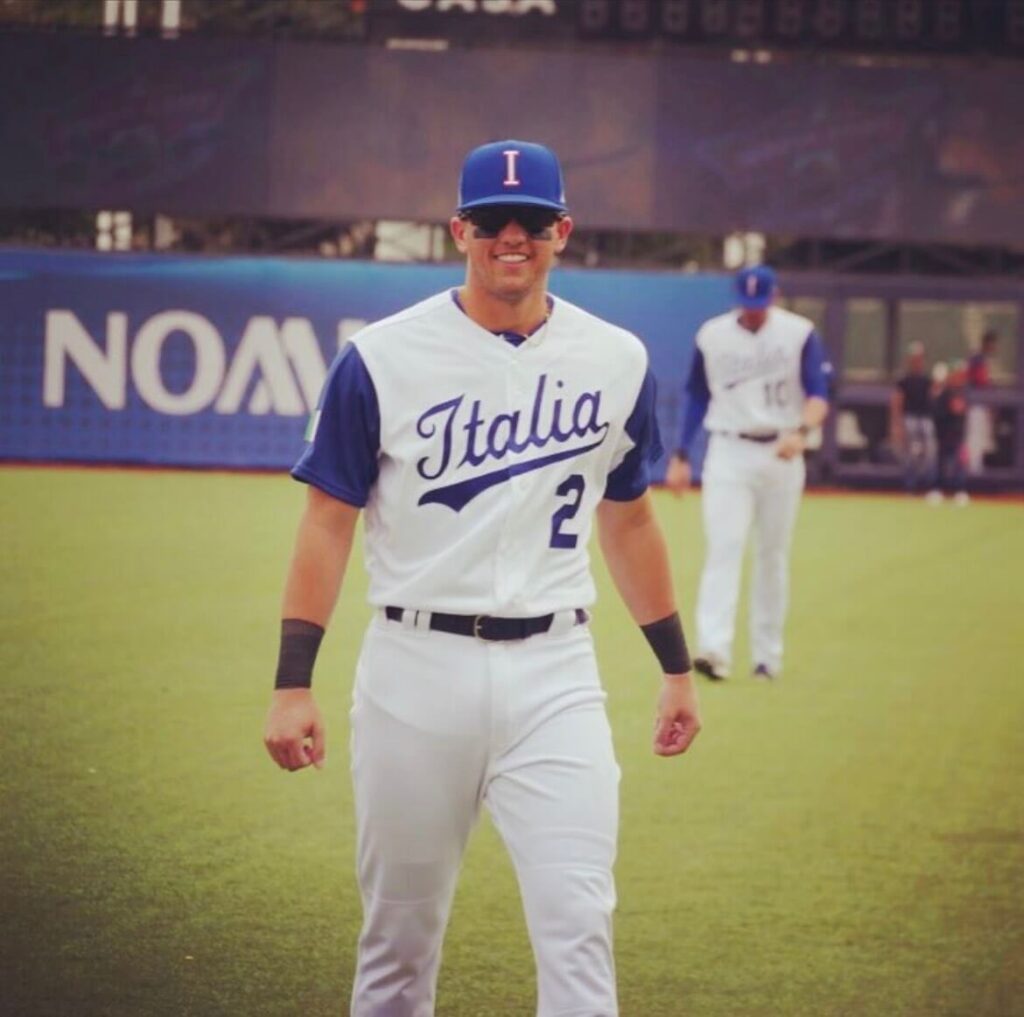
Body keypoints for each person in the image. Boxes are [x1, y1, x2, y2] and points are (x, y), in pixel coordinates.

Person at [263, 139, 701, 1017]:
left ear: (563, 231)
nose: (513, 236)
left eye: (533, 221)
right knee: (398, 940)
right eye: (493, 221)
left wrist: (676, 665)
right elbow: (325, 521)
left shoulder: (616, 359)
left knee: (580, 925)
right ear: (457, 229)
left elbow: (632, 518)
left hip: (557, 674)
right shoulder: (382, 358)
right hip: (412, 668)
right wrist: (291, 684)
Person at [664, 265, 831, 681]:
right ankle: (713, 650)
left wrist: (803, 431)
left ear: (774, 297)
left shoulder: (799, 333)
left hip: (782, 450)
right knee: (724, 548)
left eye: (760, 303)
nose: (753, 311)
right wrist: (682, 454)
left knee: (772, 555)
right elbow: (697, 397)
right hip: (729, 451)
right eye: (746, 303)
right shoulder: (713, 335)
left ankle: (766, 657)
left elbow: (819, 395)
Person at [890, 341, 937, 494]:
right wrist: (897, 424)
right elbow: (897, 402)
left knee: (929, 452)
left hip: (925, 419)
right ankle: (910, 486)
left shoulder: (927, 380)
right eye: (915, 358)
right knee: (909, 454)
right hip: (909, 418)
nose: (918, 361)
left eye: (920, 358)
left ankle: (929, 486)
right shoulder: (904, 380)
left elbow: (934, 398)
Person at [930, 360, 970, 506]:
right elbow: (936, 412)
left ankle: (959, 491)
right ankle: (937, 490)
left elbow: (958, 410)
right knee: (940, 463)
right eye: (956, 374)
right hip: (943, 433)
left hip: (956, 434)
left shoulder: (961, 392)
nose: (959, 377)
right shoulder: (944, 392)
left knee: (958, 464)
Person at [965, 329, 998, 475]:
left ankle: (976, 470)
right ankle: (972, 473)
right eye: (993, 344)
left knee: (981, 440)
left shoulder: (982, 359)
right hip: (975, 405)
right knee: (974, 439)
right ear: (987, 343)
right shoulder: (977, 359)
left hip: (981, 405)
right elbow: (981, 382)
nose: (995, 348)